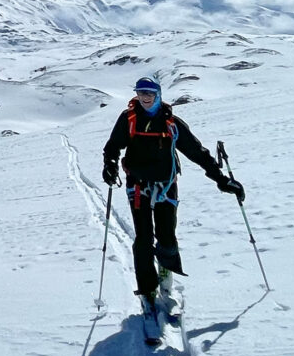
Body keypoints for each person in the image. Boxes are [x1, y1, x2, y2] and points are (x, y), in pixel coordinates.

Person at [101, 76, 245, 337]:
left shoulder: (171, 123)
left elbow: (196, 152)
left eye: (150, 93)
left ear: (158, 94)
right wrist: (110, 165)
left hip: (166, 186)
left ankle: (166, 288)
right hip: (138, 187)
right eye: (141, 93)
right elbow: (113, 146)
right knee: (143, 240)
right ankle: (148, 293)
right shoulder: (128, 119)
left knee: (167, 237)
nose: (145, 98)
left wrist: (221, 180)